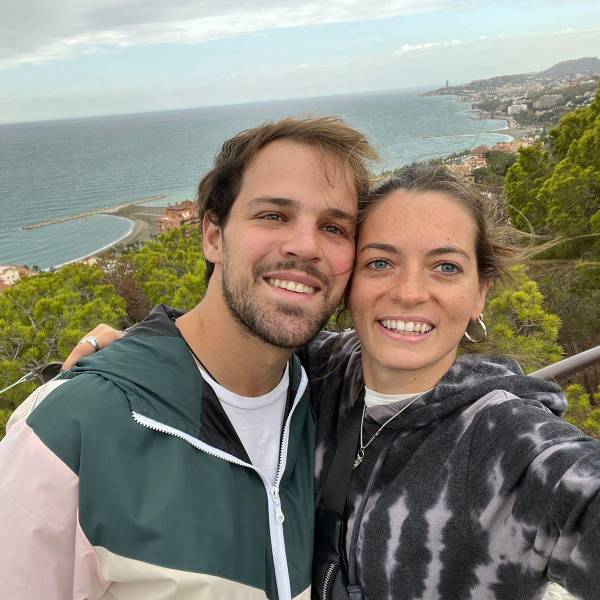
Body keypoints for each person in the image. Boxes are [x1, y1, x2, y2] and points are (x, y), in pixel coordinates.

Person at [66, 164, 600, 600]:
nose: (410, 292)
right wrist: (148, 347)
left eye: (445, 268)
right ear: (349, 283)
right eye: (381, 262)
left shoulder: (513, 445)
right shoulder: (315, 369)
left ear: (480, 292)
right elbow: (232, 338)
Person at [0, 116, 377, 600]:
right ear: (213, 237)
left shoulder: (332, 401)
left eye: (334, 227)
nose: (306, 246)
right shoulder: (75, 427)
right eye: (273, 215)